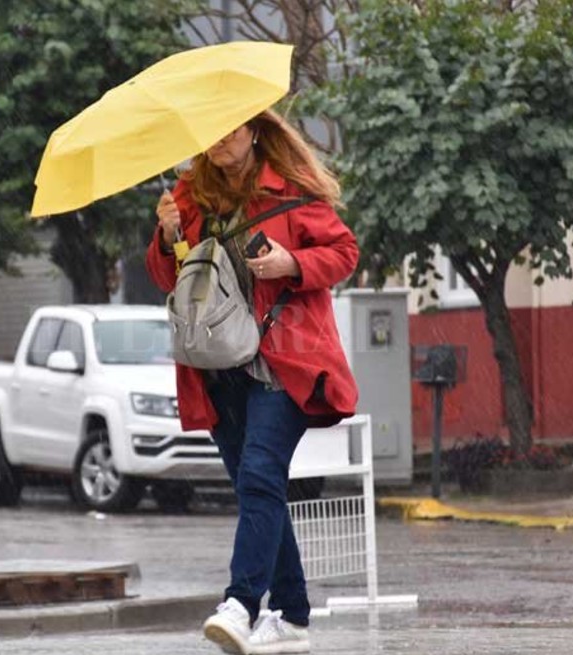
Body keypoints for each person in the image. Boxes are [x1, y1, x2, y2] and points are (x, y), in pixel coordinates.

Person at [145, 108, 359, 654]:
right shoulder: (188, 197)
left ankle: (241, 604)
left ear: (254, 131)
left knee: (261, 475)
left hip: (283, 362)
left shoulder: (289, 189)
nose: (220, 140)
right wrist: (167, 235)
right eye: (211, 132)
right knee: (256, 488)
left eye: (231, 129)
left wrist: (292, 264)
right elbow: (173, 279)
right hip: (217, 368)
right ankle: (292, 615)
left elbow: (344, 253)